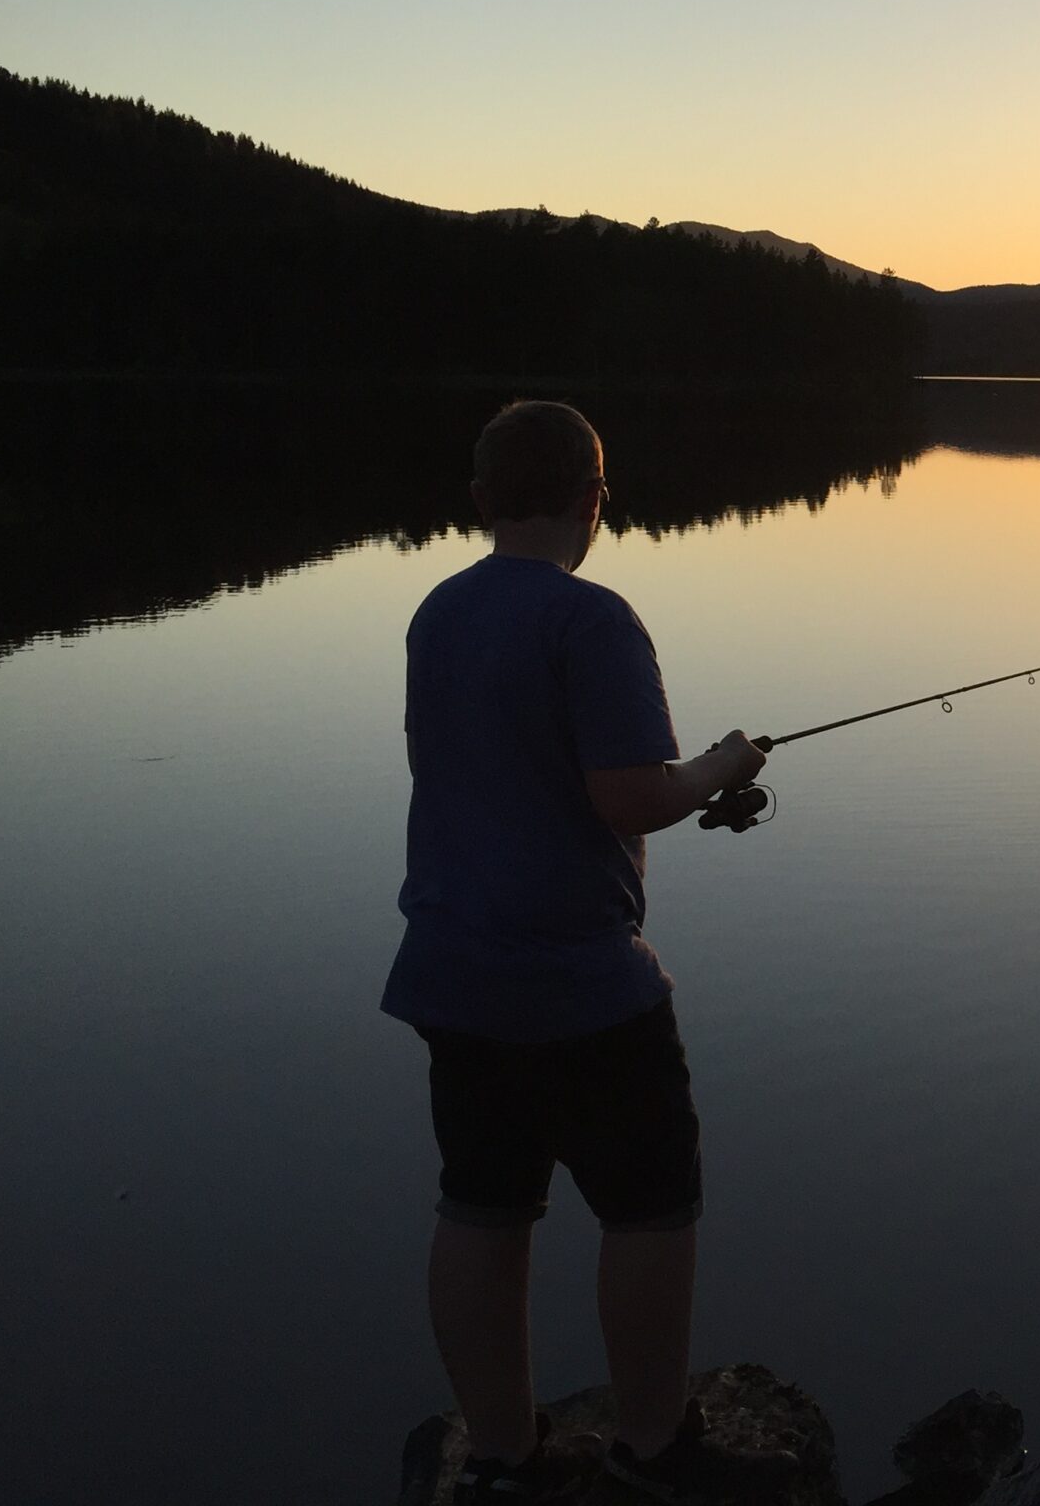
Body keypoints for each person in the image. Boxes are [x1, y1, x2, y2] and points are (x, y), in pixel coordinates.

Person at [383, 400, 797, 1502]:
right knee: (651, 1206)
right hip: (577, 982)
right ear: (593, 500)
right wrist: (721, 762)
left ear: (479, 501)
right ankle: (652, 1443)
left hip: (452, 968)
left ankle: (502, 1454)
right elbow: (629, 797)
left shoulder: (440, 612)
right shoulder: (593, 620)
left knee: (481, 1205)